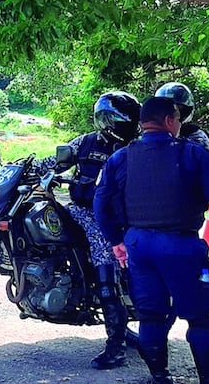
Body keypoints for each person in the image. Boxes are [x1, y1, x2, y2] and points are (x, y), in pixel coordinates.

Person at [94, 96, 209, 384]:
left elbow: (101, 202)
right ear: (171, 121)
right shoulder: (192, 153)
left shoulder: (120, 158)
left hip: (139, 246)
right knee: (201, 318)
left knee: (151, 317)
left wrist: (116, 241)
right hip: (181, 245)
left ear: (143, 123)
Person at [47, 91, 142, 369]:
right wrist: (23, 165)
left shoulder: (134, 148)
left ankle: (116, 346)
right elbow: (55, 160)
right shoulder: (87, 141)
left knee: (103, 259)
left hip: (110, 218)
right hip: (78, 209)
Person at [155, 81, 209, 150]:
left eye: (177, 108)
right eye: (165, 108)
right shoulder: (157, 134)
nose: (170, 113)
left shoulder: (198, 138)